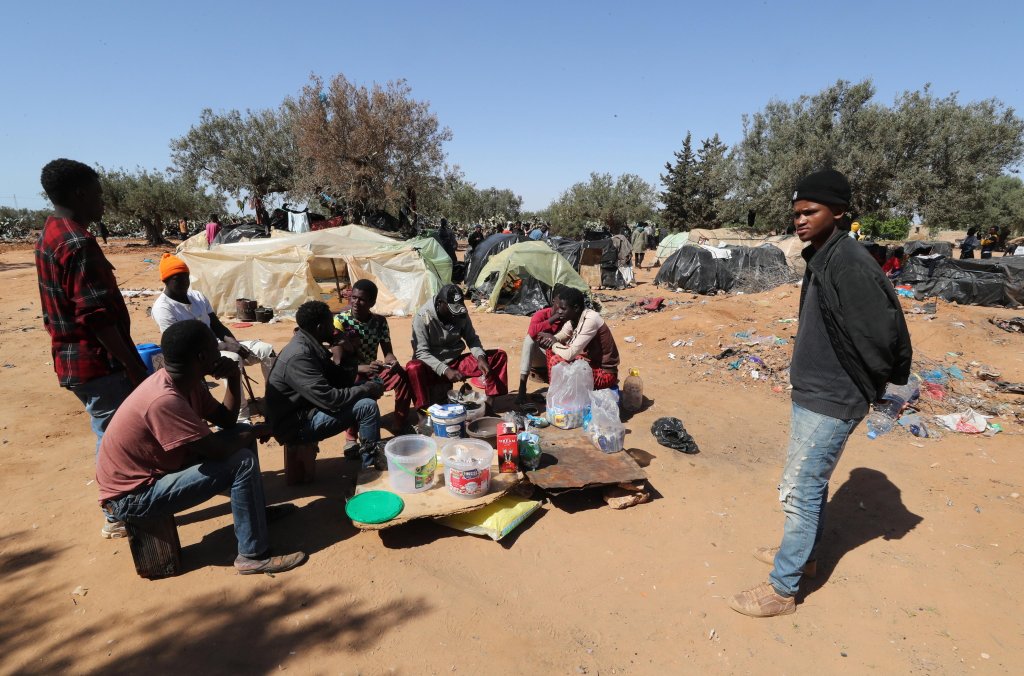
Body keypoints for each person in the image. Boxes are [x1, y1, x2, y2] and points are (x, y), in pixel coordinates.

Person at [727, 169, 912, 618]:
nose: (801, 220)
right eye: (797, 213)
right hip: (814, 391)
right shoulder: (825, 256)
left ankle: (782, 589)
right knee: (810, 485)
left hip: (832, 397)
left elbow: (884, 335)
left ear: (840, 212)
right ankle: (805, 558)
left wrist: (870, 386)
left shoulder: (849, 264)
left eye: (810, 211)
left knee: (799, 489)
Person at [96, 320, 306, 575]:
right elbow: (216, 451)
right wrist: (257, 430)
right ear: (202, 356)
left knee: (241, 433)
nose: (220, 353)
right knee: (241, 461)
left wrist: (233, 377)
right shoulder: (164, 399)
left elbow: (227, 421)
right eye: (215, 349)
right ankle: (252, 556)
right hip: (132, 497)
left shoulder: (186, 381)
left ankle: (256, 515)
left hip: (155, 472)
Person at [35, 158, 150, 540]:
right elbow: (96, 316)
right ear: (79, 193)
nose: (103, 202)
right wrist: (133, 365)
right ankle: (118, 511)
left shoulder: (51, 233)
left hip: (73, 360)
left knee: (109, 432)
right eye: (99, 195)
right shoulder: (77, 243)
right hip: (98, 363)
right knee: (113, 436)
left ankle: (122, 503)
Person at [151, 253, 276, 421]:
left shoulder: (197, 297)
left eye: (186, 277)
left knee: (267, 351)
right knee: (232, 360)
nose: (184, 282)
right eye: (177, 278)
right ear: (166, 281)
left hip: (217, 347)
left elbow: (217, 325)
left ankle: (275, 401)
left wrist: (233, 343)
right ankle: (240, 414)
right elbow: (182, 346)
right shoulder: (163, 308)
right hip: (196, 358)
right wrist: (226, 348)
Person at [266, 301, 385, 469]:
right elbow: (330, 399)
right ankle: (371, 467)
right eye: (331, 324)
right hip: (295, 426)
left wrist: (347, 349)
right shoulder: (300, 356)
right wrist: (366, 389)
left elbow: (339, 379)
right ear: (321, 327)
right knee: (367, 406)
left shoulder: (308, 344)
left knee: (365, 387)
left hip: (305, 412)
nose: (335, 329)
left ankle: (368, 456)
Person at [406, 284, 508, 409]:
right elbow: (421, 353)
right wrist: (445, 370)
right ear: (440, 302)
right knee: (413, 367)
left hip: (456, 362)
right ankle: (422, 413)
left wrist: (480, 357)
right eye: (451, 310)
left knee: (498, 356)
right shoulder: (423, 317)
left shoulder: (460, 313)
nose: (454, 315)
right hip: (432, 366)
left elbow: (472, 339)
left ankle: (488, 405)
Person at [333, 279, 413, 433]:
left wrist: (392, 362)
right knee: (355, 387)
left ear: (372, 302)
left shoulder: (379, 322)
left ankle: (399, 422)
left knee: (402, 375)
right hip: (351, 372)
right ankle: (351, 437)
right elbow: (339, 363)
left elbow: (388, 353)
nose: (356, 302)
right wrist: (364, 368)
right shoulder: (340, 321)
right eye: (354, 297)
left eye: (362, 299)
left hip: (373, 370)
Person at [535, 287, 620, 390]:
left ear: (576, 308)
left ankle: (561, 393)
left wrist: (553, 342)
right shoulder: (574, 317)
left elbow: (569, 355)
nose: (559, 312)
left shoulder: (590, 319)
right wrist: (550, 339)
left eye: (563, 309)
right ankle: (557, 390)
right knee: (550, 350)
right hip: (589, 365)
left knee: (558, 359)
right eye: (559, 308)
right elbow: (563, 335)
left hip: (604, 374)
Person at [516, 285, 567, 403]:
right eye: (560, 303)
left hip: (558, 357)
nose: (562, 308)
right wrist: (553, 319)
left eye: (565, 305)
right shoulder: (541, 314)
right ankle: (522, 387)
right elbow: (532, 332)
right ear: (554, 300)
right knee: (529, 340)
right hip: (541, 357)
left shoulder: (567, 318)